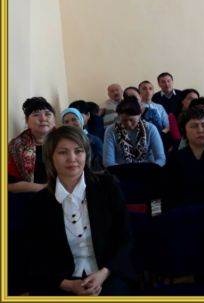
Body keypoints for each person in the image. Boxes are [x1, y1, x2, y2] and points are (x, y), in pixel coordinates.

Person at [27, 126, 135, 295]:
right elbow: (36, 254)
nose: (72, 158)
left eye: (78, 151)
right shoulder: (39, 202)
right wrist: (69, 285)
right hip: (61, 281)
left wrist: (104, 273)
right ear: (50, 157)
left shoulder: (108, 186)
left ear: (86, 154)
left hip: (108, 274)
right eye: (63, 152)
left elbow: (125, 237)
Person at [8, 97, 56, 192]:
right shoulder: (15, 146)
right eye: (36, 115)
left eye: (47, 114)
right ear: (27, 120)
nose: (43, 119)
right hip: (29, 196)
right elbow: (8, 185)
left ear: (54, 120)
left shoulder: (66, 140)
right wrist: (45, 188)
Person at [103, 96, 166, 167]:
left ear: (139, 115)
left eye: (131, 120)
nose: (128, 124)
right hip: (121, 170)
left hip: (147, 169)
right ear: (119, 117)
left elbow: (161, 158)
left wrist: (152, 169)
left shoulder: (150, 128)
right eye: (124, 120)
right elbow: (108, 161)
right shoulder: (111, 130)